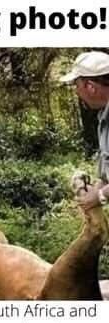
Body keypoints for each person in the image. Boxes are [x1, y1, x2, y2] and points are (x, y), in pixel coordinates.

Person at [60, 51, 109, 211]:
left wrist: (99, 196)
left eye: (77, 85)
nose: (77, 92)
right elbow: (105, 177)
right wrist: (92, 195)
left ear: (90, 87)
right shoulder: (104, 119)